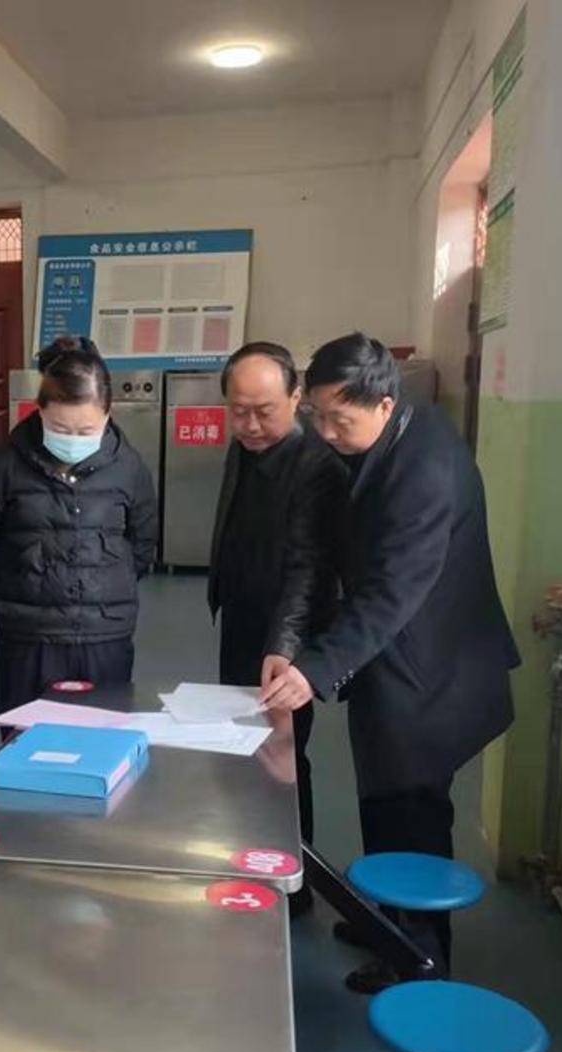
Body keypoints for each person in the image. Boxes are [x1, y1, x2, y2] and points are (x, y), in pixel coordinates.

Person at [260, 332, 519, 992]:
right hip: (394, 665)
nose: (325, 432)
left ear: (383, 403)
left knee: (414, 811)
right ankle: (388, 919)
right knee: (381, 796)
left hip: (433, 674)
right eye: (317, 415)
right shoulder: (390, 435)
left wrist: (313, 670)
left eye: (339, 420)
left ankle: (420, 958)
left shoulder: (427, 471)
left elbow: (391, 594)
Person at [208, 341, 346, 912]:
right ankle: (256, 859)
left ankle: (292, 883)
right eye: (238, 411)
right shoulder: (247, 447)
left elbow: (308, 569)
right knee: (245, 751)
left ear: (296, 398)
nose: (250, 425)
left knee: (283, 758)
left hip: (285, 636)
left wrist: (285, 648)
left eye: (264, 411)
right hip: (243, 618)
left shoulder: (316, 465)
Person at [0, 336, 158, 713]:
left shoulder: (129, 468)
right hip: (29, 638)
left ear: (108, 414)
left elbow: (143, 544)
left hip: (105, 636)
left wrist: (106, 589)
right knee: (27, 737)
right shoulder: (4, 466)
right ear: (40, 411)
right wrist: (9, 599)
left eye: (86, 431)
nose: (73, 440)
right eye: (61, 429)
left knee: (102, 734)